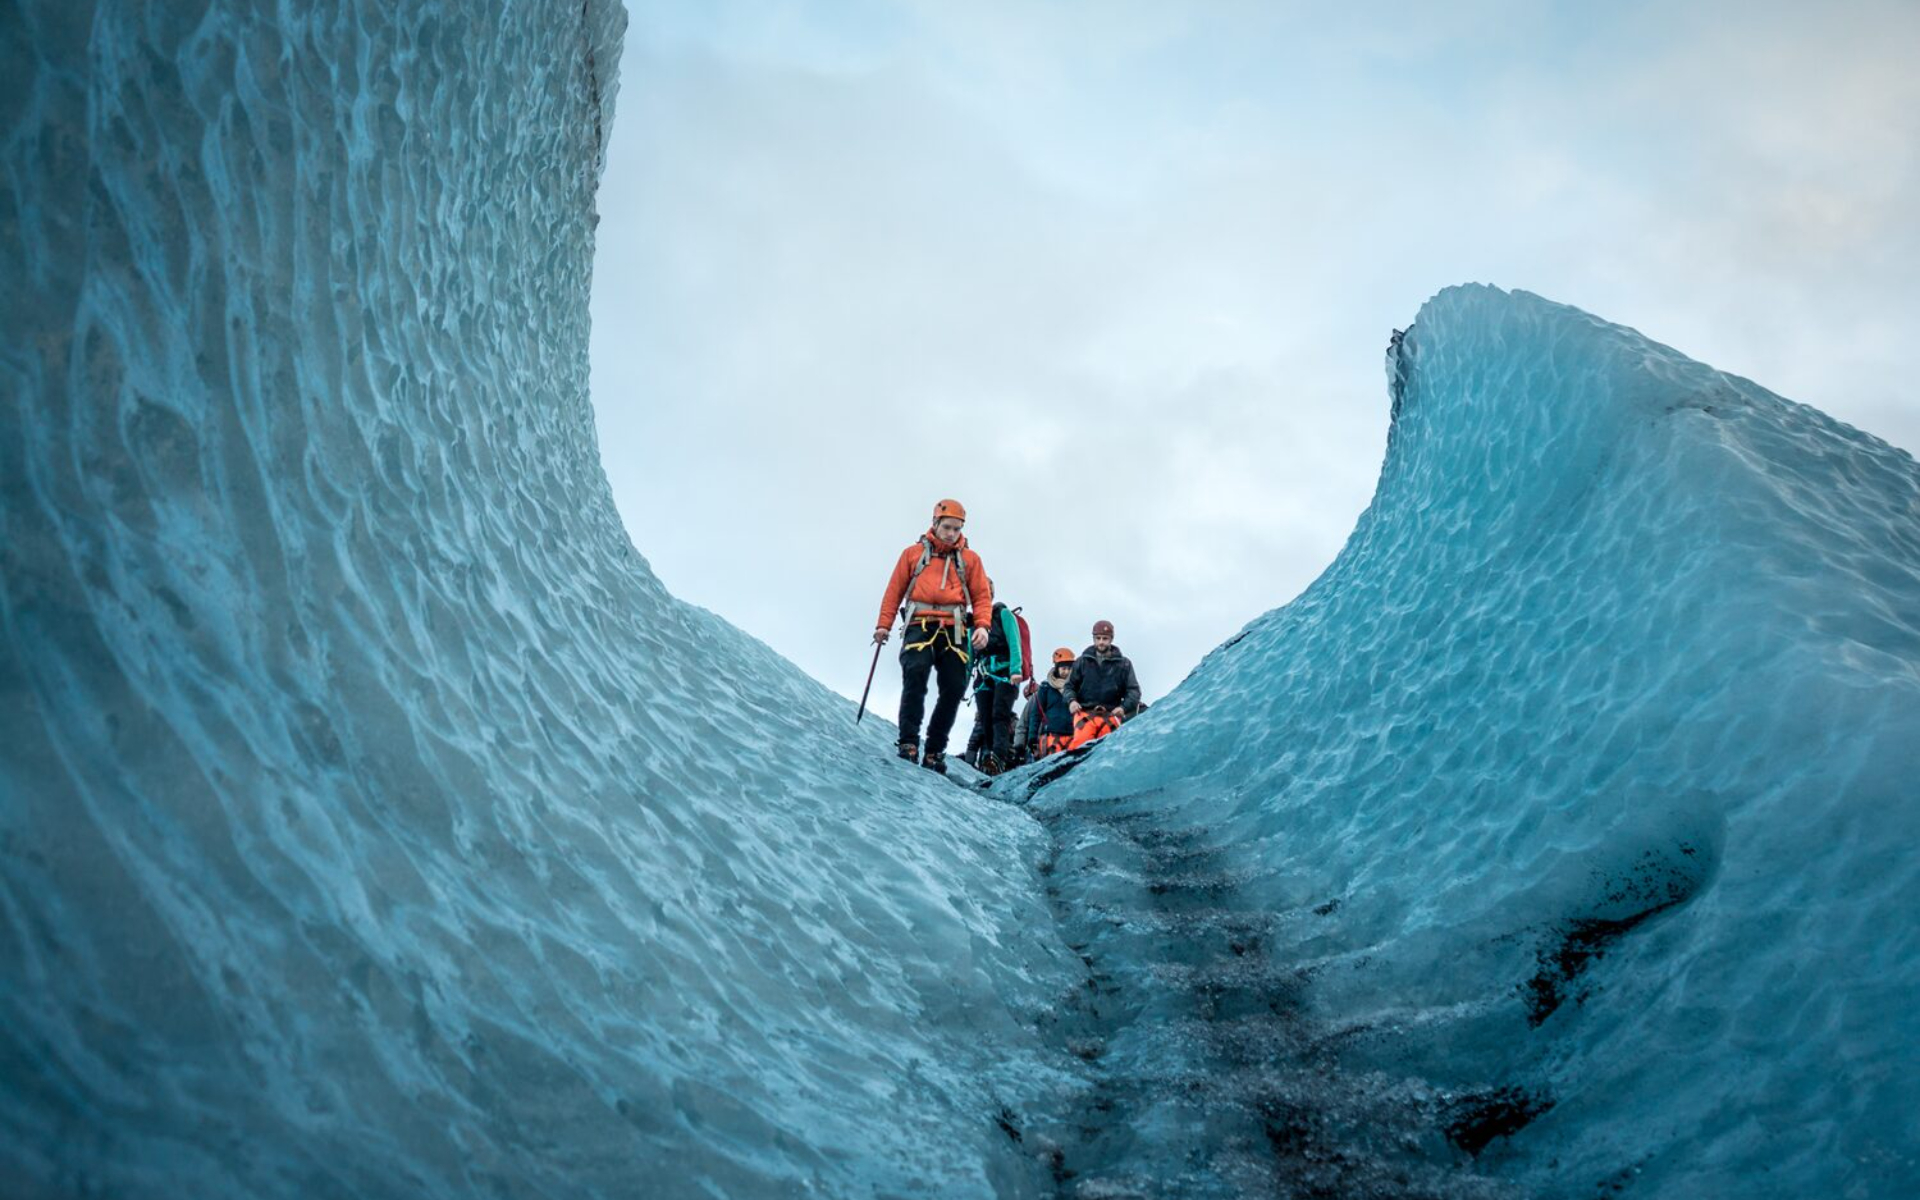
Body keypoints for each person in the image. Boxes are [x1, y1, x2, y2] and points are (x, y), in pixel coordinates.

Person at [874, 499, 992, 774]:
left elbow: (982, 597)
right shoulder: (912, 554)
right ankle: (909, 743)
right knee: (915, 673)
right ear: (935, 524)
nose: (952, 533)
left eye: (957, 528)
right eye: (947, 527)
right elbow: (894, 591)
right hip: (920, 624)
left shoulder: (971, 560)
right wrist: (883, 626)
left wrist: (983, 626)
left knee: (954, 686)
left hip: (956, 628)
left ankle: (935, 750)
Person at [967, 599, 1028, 776]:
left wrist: (1016, 670)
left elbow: (1014, 641)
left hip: (1005, 674)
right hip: (984, 675)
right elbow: (971, 654)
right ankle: (989, 757)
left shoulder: (1004, 615)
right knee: (985, 718)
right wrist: (965, 677)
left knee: (999, 715)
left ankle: (999, 757)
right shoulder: (974, 622)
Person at [1065, 620, 1141, 750]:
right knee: (1079, 751)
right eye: (1098, 638)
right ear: (1093, 639)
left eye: (1105, 638)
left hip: (1110, 716)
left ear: (1111, 639)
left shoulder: (1124, 664)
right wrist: (1071, 701)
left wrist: (1123, 708)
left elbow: (1134, 691)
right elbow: (1069, 686)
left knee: (1108, 753)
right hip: (1085, 715)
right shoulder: (1081, 661)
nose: (1101, 642)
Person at [1033, 647, 1077, 757]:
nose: (1066, 672)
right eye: (1063, 668)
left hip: (1074, 735)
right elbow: (1036, 714)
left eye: (1069, 668)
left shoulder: (1077, 687)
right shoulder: (1045, 687)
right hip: (1052, 736)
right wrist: (1032, 738)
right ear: (1057, 668)